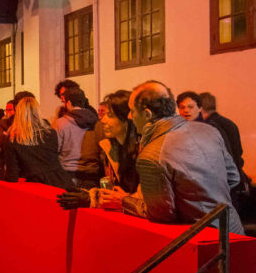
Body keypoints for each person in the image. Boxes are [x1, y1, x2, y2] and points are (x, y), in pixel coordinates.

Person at [59, 81, 243, 233]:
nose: (130, 116)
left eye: (132, 111)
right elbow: (233, 178)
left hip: (197, 237)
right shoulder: (208, 130)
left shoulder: (152, 154)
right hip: (232, 228)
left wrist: (122, 201)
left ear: (146, 114)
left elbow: (161, 213)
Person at [0, 96, 74, 190]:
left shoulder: (13, 139)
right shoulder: (50, 132)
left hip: (39, 187)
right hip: (62, 181)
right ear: (37, 111)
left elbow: (12, 176)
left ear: (18, 113)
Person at [53, 86, 101, 187]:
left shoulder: (60, 123)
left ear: (69, 103)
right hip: (92, 176)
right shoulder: (97, 122)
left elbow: (54, 151)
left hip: (68, 175)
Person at [96, 90, 141, 194]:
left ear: (127, 118)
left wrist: (125, 200)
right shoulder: (109, 148)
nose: (103, 121)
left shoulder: (144, 150)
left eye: (110, 115)